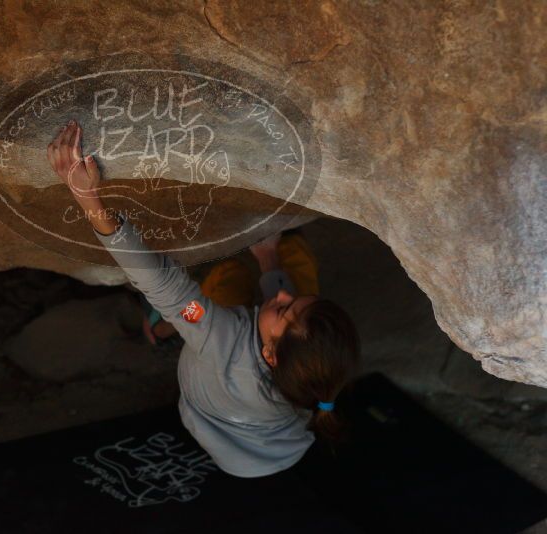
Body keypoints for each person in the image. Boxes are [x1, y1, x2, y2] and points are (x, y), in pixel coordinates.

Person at [47, 119, 361, 478]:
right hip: (273, 443)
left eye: (285, 308)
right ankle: (275, 268)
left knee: (225, 280)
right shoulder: (312, 380)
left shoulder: (219, 336)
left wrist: (87, 198)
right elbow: (292, 317)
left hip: (211, 394)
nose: (285, 294)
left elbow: (164, 285)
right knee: (296, 268)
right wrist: (269, 259)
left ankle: (163, 329)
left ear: (270, 356)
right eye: (299, 302)